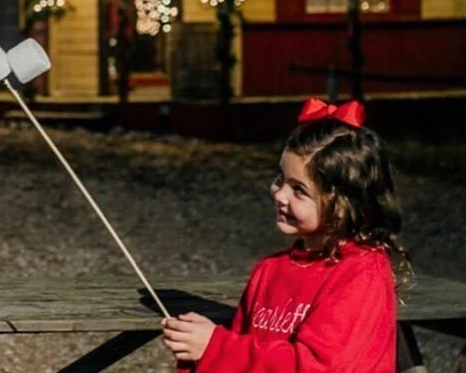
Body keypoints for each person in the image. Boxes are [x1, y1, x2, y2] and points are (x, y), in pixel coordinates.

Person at [161, 98, 412, 372]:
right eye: (281, 178)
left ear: (344, 205)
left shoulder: (361, 274)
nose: (279, 194)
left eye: (299, 189)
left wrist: (216, 347)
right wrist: (197, 353)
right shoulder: (269, 270)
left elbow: (320, 368)